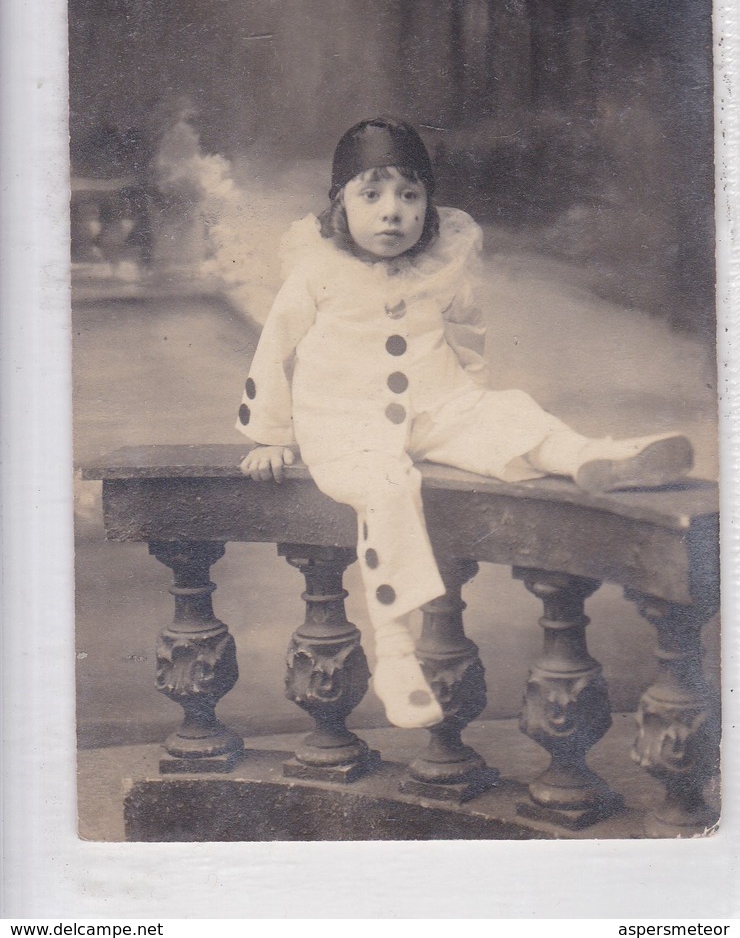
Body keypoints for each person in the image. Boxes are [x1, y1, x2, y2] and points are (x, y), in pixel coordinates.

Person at [236, 116, 693, 730]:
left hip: (435, 408)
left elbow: (468, 335)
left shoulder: (444, 265)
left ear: (428, 204)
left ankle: (591, 459)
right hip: (345, 429)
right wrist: (269, 434)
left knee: (507, 410)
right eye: (370, 196)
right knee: (388, 490)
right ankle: (396, 654)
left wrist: (469, 404)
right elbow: (273, 349)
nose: (392, 212)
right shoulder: (316, 273)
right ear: (340, 207)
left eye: (409, 195)